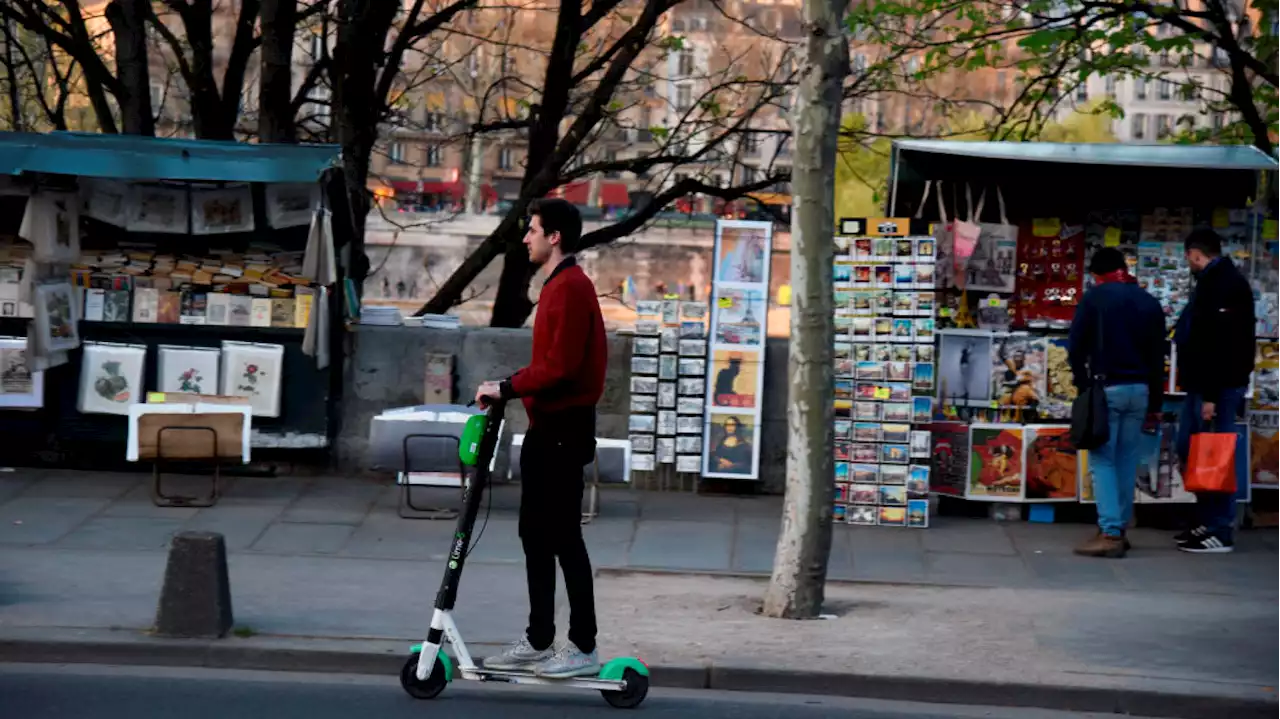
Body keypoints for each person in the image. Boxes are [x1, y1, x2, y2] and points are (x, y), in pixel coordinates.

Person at [474, 198, 607, 677]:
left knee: (563, 536)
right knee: (534, 534)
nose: (525, 237)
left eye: (532, 230)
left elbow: (562, 367)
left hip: (563, 431)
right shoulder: (557, 285)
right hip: (545, 428)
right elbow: (549, 363)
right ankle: (538, 637)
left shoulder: (571, 287)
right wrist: (509, 386)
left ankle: (584, 646)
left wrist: (507, 387)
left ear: (554, 237)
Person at [1067, 247, 1166, 558]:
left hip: (1107, 388)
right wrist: (1155, 402)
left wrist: (1084, 387)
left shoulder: (1095, 298)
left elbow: (1075, 348)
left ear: (1096, 274)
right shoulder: (1148, 301)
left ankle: (1109, 533)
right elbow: (1157, 357)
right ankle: (1119, 527)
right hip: (1140, 391)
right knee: (1125, 459)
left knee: (1103, 460)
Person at [1172, 228, 1255, 554]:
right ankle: (1207, 520)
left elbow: (1219, 344)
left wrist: (1209, 396)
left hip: (1216, 386)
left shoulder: (1224, 285)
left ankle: (1220, 528)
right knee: (1192, 450)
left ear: (1195, 253)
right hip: (1205, 385)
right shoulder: (1214, 282)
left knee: (1216, 454)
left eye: (1188, 257)